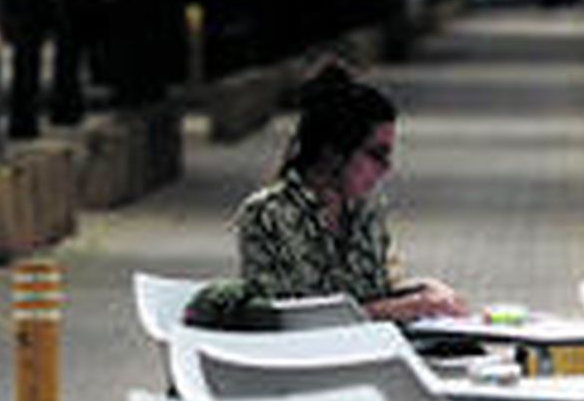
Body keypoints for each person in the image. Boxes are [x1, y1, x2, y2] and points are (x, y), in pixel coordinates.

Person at [186, 64, 467, 328]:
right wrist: (400, 308)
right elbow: (292, 321)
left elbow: (379, 289)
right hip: (304, 367)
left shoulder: (365, 207)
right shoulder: (267, 214)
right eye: (376, 154)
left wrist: (425, 289)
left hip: (370, 354)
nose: (386, 168)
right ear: (333, 152)